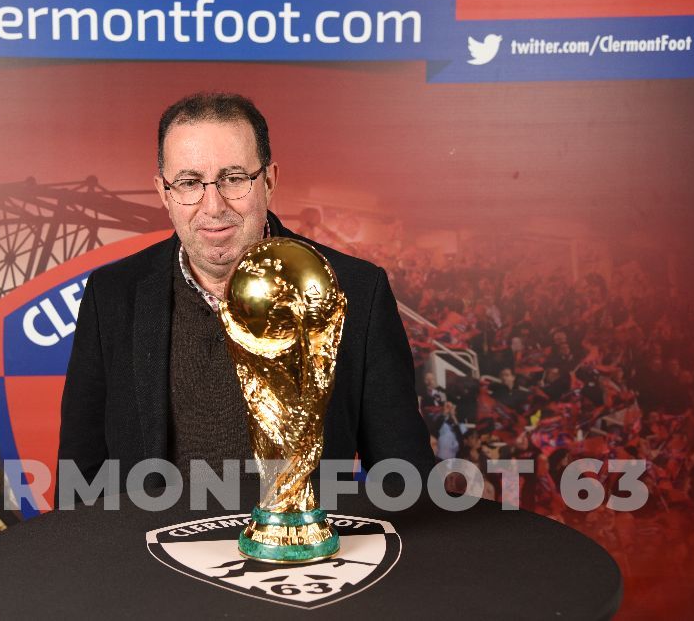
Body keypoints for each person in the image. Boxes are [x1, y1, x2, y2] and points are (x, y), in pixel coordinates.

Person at [57, 92, 434, 494]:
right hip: (148, 537)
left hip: (309, 536)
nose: (213, 206)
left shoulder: (356, 290)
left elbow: (407, 481)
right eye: (188, 183)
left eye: (234, 179)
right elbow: (80, 483)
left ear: (268, 181)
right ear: (164, 193)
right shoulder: (113, 295)